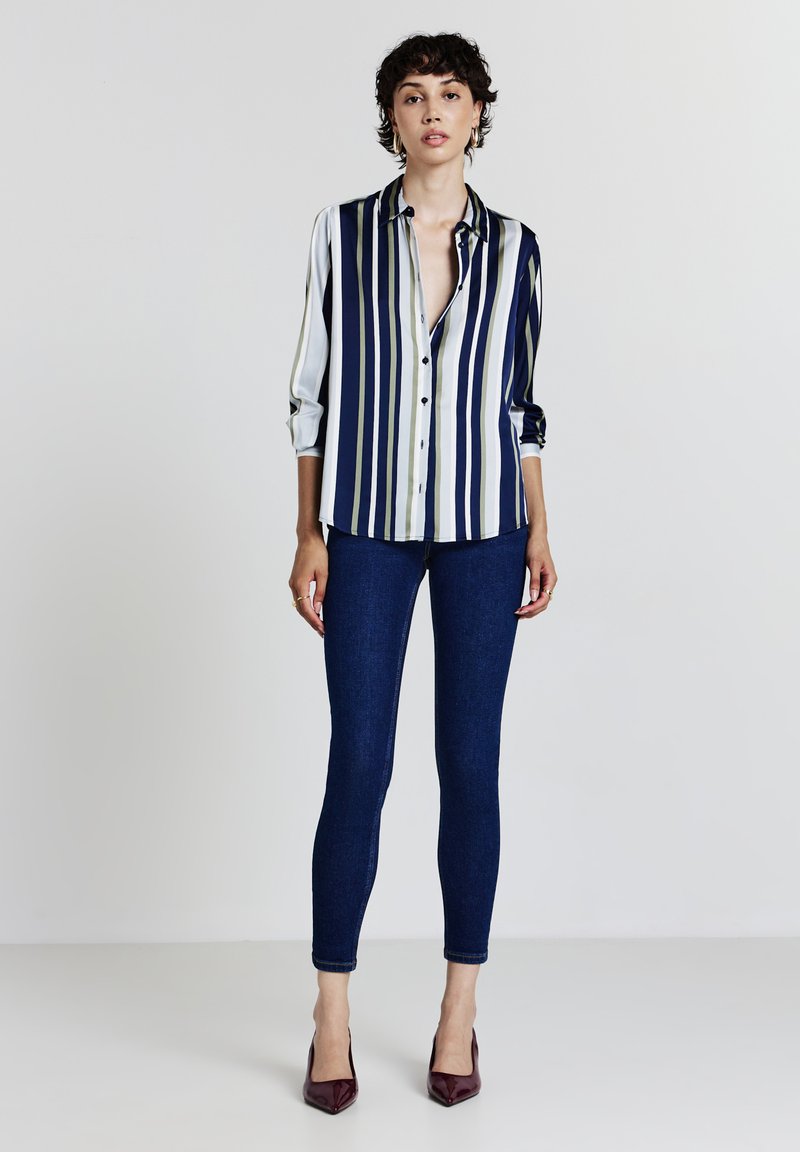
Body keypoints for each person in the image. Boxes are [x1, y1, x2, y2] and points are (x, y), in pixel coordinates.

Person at [286, 31, 557, 1112]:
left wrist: (539, 527)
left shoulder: (517, 247)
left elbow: (523, 404)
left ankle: (457, 1009)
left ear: (477, 112)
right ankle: (331, 1013)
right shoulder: (340, 234)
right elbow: (309, 395)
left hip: (486, 529)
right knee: (359, 762)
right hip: (363, 526)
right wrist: (307, 531)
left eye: (450, 94)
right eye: (412, 95)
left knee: (469, 765)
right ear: (390, 116)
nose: (432, 111)